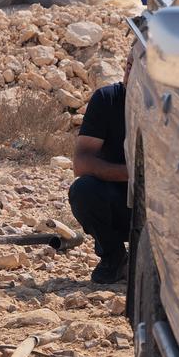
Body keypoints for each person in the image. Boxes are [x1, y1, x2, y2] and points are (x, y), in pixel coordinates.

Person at [68, 80, 132, 284]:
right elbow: (81, 163)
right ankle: (114, 257)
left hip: (164, 204)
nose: (131, 71)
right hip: (119, 201)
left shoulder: (175, 102)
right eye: (129, 64)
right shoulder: (108, 99)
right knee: (83, 190)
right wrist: (134, 174)